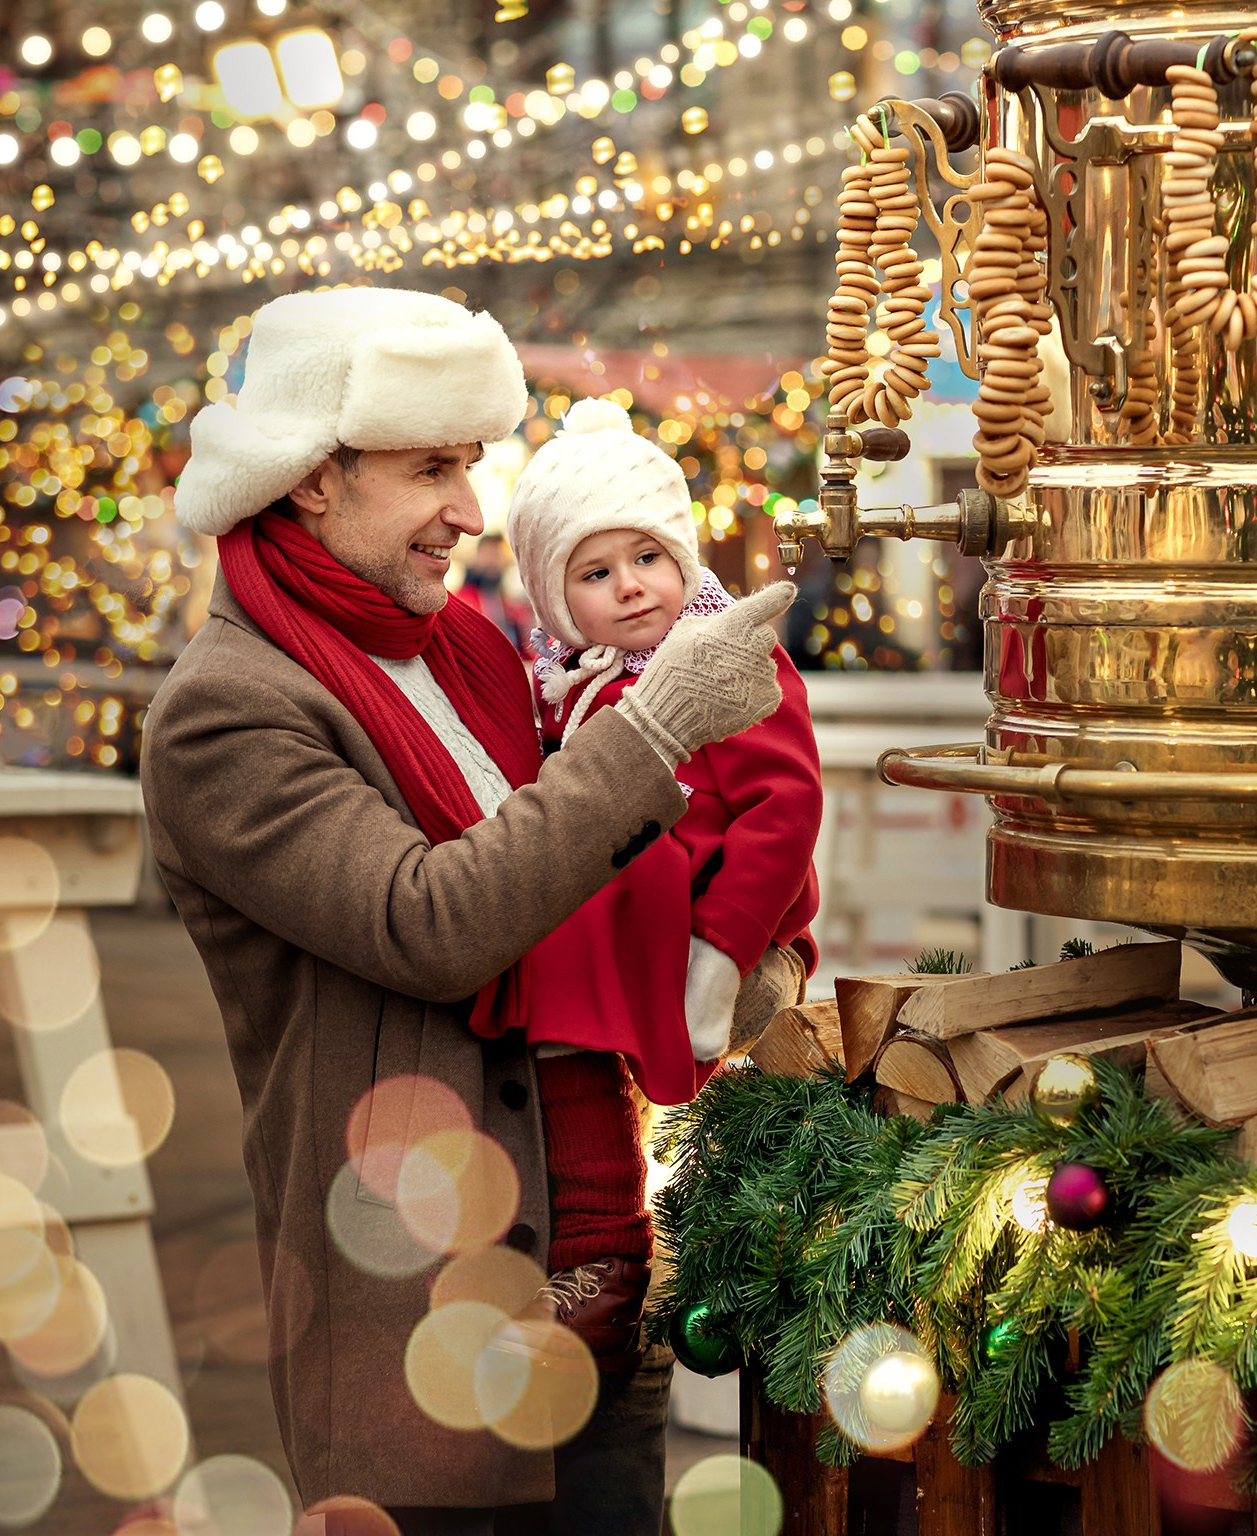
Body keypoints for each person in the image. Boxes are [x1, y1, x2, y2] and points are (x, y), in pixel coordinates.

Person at [140, 287, 796, 1536]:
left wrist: (751, 936)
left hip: (605, 1275)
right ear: (310, 479)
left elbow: (584, 879)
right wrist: (655, 728)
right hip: (427, 1330)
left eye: (472, 465)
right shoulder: (227, 711)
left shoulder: (470, 651)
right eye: (431, 467)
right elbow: (428, 924)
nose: (469, 510)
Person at [507, 395, 820, 1085]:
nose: (630, 586)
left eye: (648, 556)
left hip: (715, 909)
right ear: (555, 599)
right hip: (624, 919)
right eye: (594, 573)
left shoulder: (723, 653)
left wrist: (721, 946)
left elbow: (784, 808)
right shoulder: (561, 679)